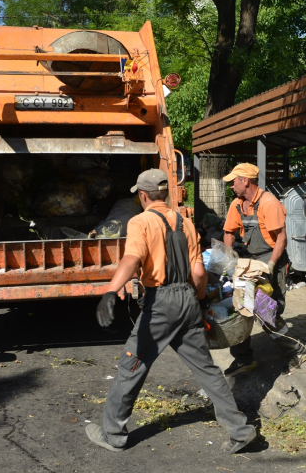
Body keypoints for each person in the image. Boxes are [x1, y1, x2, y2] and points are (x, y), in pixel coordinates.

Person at [85, 168, 256, 454]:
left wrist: (110, 291)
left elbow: (132, 258)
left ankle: (113, 434)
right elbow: (199, 271)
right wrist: (199, 301)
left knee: (131, 367)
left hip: (160, 305)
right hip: (187, 300)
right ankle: (240, 430)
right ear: (165, 193)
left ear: (142, 196)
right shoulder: (186, 223)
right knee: (207, 370)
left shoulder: (140, 222)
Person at [222, 163, 306, 377]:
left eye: (234, 181)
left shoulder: (269, 203)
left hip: (272, 259)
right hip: (251, 261)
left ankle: (296, 350)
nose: (232, 185)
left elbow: (281, 239)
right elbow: (229, 232)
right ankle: (243, 359)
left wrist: (270, 265)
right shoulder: (237, 205)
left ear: (245, 181)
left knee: (266, 311)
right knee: (242, 305)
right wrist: (228, 254)